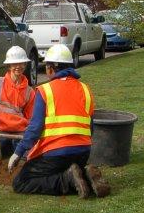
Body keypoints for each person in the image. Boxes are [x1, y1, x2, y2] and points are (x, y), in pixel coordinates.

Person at [7, 44, 110, 198]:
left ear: (50, 68)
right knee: (70, 168)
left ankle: (67, 180)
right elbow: (90, 127)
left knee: (21, 182)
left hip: (56, 154)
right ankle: (85, 176)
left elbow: (35, 128)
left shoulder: (45, 91)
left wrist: (18, 153)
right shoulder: (85, 89)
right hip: (83, 152)